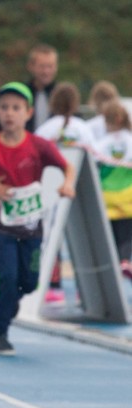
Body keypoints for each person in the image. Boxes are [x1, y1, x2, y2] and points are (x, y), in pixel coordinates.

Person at [0, 82, 75, 355]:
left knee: (29, 282)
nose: (9, 113)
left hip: (31, 225)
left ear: (28, 113)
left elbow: (68, 166)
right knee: (7, 276)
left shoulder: (38, 146)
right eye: (4, 108)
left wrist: (68, 184)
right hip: (0, 225)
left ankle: (11, 302)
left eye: (16, 108)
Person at [35, 82, 95, 304]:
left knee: (53, 239)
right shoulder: (83, 128)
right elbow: (94, 157)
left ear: (53, 103)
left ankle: (54, 286)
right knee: (82, 240)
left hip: (53, 190)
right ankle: (84, 287)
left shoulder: (46, 128)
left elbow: (35, 155)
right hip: (79, 190)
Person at [93, 100, 132, 281]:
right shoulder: (130, 139)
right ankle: (124, 261)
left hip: (106, 196)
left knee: (110, 237)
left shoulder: (103, 143)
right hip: (127, 196)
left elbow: (92, 161)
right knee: (126, 235)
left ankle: (112, 269)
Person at [25, 44, 59, 132]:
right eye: (42, 66)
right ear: (31, 66)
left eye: (50, 66)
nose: (46, 71)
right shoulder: (22, 94)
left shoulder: (61, 94)